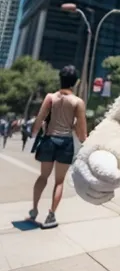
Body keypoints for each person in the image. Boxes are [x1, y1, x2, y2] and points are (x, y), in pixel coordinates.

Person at [27, 65, 87, 228]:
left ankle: (33, 211)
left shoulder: (50, 98)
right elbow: (82, 131)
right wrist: (83, 140)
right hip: (65, 143)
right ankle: (51, 216)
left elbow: (40, 119)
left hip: (49, 140)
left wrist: (33, 135)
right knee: (59, 182)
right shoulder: (77, 102)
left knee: (42, 177)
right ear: (75, 83)